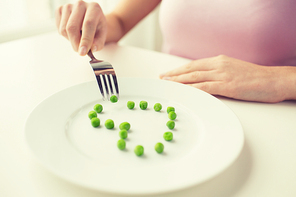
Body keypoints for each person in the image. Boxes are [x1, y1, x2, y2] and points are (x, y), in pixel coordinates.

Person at [55, 0, 296, 103]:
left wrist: (278, 80)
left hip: (271, 114)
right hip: (173, 101)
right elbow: (119, 21)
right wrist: (94, 23)